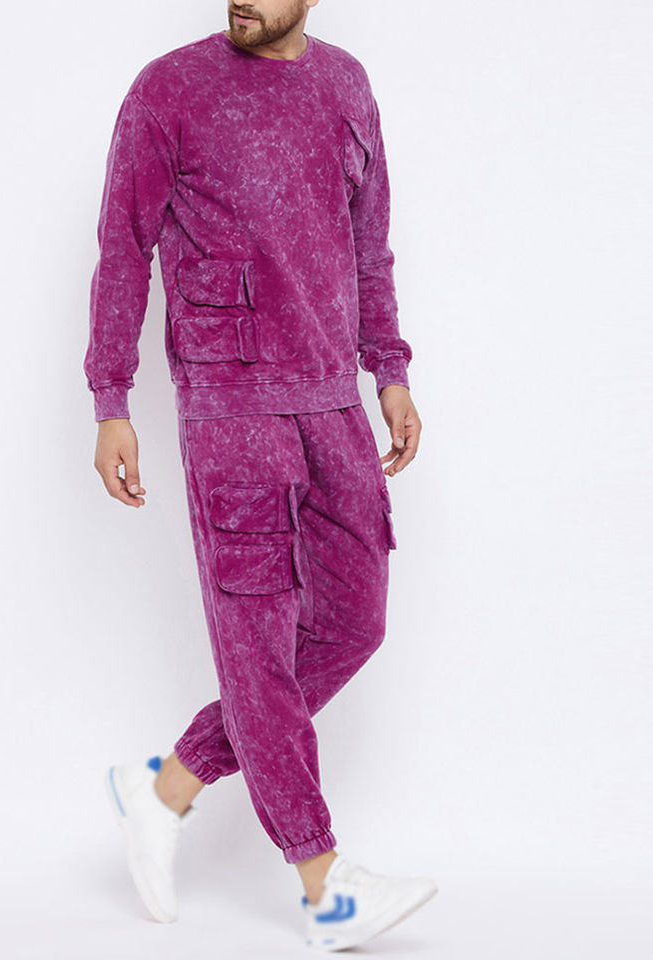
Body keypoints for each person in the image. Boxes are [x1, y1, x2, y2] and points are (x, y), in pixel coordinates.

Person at [86, 1, 437, 950]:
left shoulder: (347, 84)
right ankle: (327, 887)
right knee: (257, 647)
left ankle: (167, 784)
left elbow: (369, 244)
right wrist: (111, 397)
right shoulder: (169, 89)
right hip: (229, 402)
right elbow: (124, 243)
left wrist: (389, 370)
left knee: (354, 623)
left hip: (332, 396)